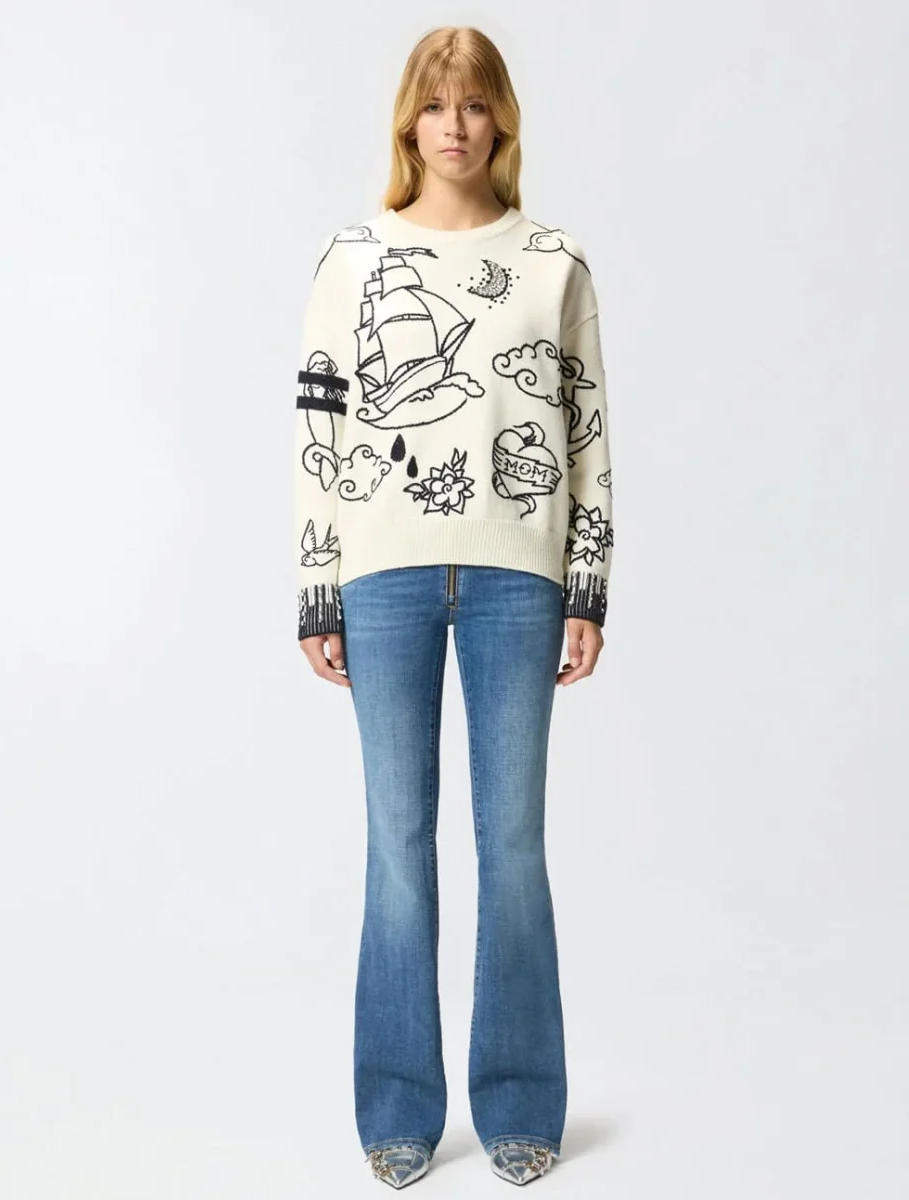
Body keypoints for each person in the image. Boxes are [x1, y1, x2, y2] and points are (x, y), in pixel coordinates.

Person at [293, 25, 614, 1189]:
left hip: (516, 580)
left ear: (501, 121)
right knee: (397, 841)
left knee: (512, 842)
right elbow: (319, 425)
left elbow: (585, 431)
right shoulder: (352, 258)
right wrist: (317, 587)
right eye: (436, 105)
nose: (455, 125)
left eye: (475, 104)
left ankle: (520, 1098)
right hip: (381, 575)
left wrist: (587, 583)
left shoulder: (553, 261)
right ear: (408, 122)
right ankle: (398, 1107)